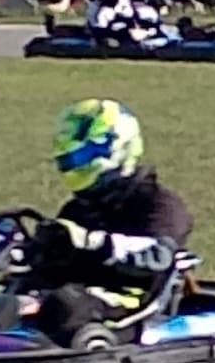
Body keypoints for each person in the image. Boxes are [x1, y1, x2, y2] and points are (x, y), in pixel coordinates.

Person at [30, 98, 195, 345]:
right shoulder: (79, 208)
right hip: (84, 291)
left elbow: (159, 255)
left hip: (132, 301)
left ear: (120, 148)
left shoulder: (159, 204)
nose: (76, 166)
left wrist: (94, 243)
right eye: (70, 161)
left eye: (83, 157)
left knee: (65, 305)